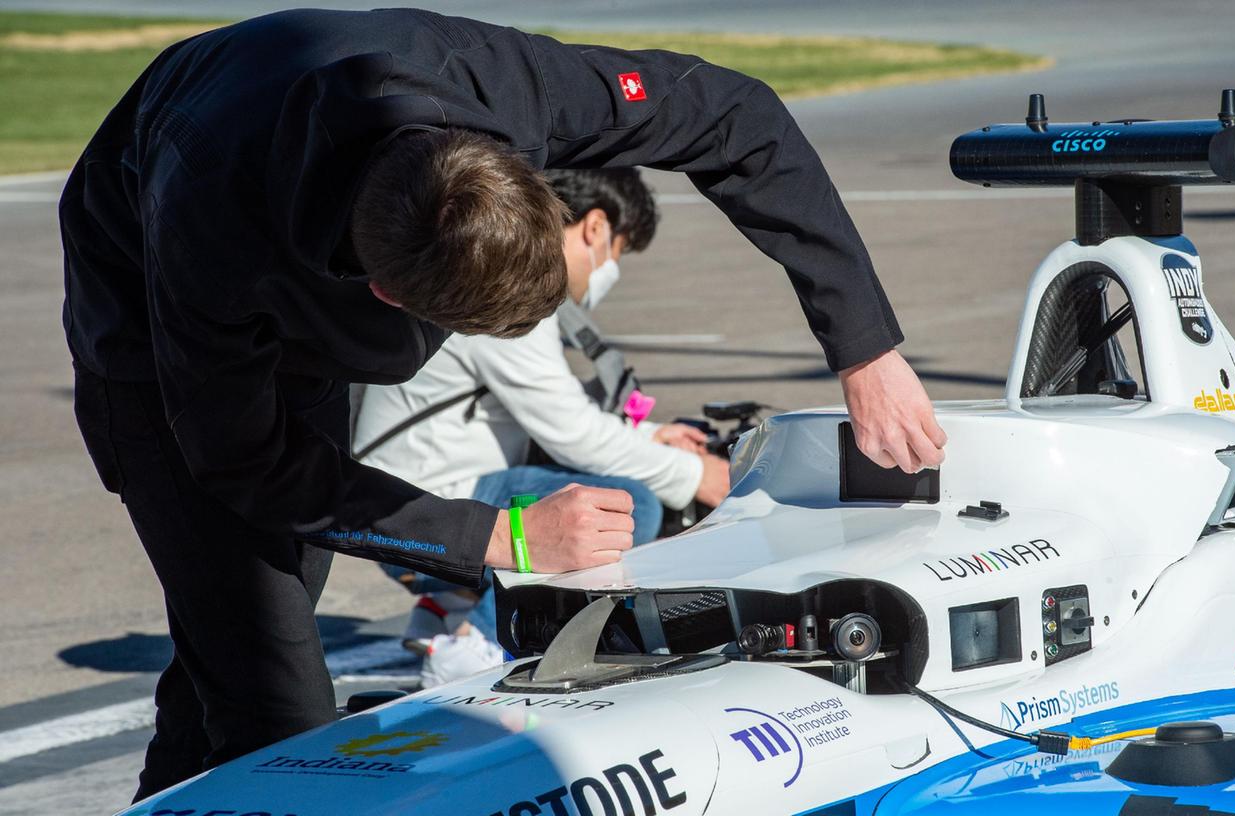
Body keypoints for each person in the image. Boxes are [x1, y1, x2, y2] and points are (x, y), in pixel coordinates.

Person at [61, 8, 946, 801]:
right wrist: (507, 537)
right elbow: (244, 463)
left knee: (235, 647)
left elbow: (735, 113)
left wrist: (863, 349)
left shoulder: (505, 86)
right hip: (145, 306)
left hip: (321, 183)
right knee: (278, 708)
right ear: (390, 300)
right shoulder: (213, 241)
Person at [355, 168, 730, 683]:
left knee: (586, 485)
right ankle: (477, 646)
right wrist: (695, 475)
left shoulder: (491, 257)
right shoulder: (507, 281)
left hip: (421, 492)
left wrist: (650, 436)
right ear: (595, 228)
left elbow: (553, 409)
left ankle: (449, 608)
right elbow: (570, 431)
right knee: (623, 507)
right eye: (618, 252)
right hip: (421, 517)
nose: (610, 269)